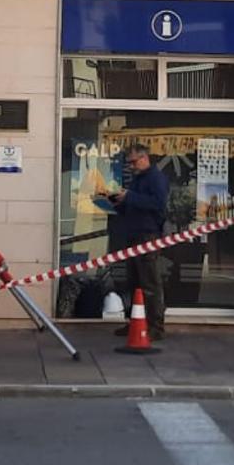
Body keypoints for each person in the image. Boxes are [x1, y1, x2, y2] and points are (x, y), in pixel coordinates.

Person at [97, 143, 170, 338]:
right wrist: (115, 200)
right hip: (133, 234)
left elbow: (157, 203)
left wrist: (130, 197)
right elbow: (132, 205)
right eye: (128, 163)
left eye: (133, 162)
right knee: (134, 282)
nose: (131, 167)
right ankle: (136, 322)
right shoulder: (138, 180)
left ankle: (155, 327)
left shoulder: (156, 178)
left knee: (149, 283)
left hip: (147, 235)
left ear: (145, 158)